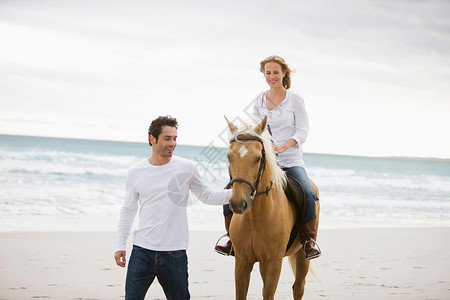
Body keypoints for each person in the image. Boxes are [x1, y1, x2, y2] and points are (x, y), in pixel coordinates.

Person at [215, 55, 321, 260]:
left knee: (307, 192)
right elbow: (256, 130)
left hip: (290, 161)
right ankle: (231, 239)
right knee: (230, 189)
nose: (272, 76)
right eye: (268, 73)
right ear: (263, 75)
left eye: (275, 72)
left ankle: (309, 240)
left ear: (283, 74)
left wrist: (283, 146)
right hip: (265, 162)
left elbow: (302, 131)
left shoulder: (295, 100)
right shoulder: (260, 99)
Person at [115, 115, 232, 300]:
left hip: (174, 255)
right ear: (152, 139)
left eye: (175, 138)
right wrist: (120, 244)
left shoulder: (187, 168)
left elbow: (207, 195)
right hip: (141, 252)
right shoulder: (135, 172)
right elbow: (128, 209)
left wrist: (239, 193)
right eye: (167, 138)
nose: (172, 143)